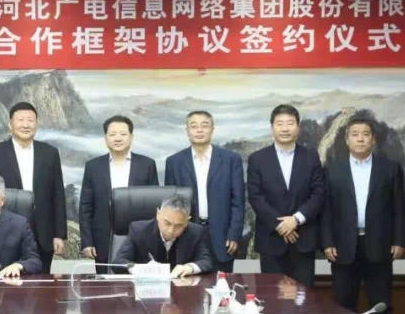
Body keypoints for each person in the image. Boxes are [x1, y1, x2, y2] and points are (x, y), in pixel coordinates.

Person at [320, 114, 405, 314]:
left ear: (373, 139)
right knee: (343, 304)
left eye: (365, 134)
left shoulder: (390, 169)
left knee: (381, 304)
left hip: (379, 244)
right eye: (355, 134)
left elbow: (399, 208)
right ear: (347, 139)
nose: (360, 139)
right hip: (343, 247)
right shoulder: (332, 169)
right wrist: (327, 242)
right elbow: (326, 209)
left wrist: (399, 241)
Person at [0, 102, 66, 271]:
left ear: (36, 124)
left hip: (43, 233)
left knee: (40, 281)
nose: (26, 125)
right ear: (10, 124)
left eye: (30, 120)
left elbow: (58, 194)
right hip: (5, 230)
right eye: (20, 120)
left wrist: (59, 234)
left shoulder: (50, 153)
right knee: (6, 280)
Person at [246, 104, 325, 287]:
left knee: (303, 297)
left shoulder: (311, 157)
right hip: (271, 240)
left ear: (298, 127)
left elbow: (319, 193)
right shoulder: (257, 159)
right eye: (280, 123)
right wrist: (281, 225)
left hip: (303, 239)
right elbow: (255, 196)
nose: (285, 128)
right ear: (272, 127)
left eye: (290, 123)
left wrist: (295, 220)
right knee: (272, 296)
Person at [164, 110, 244, 272]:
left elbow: (238, 201)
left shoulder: (231, 159)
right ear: (187, 131)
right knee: (186, 282)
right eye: (194, 126)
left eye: (204, 125)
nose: (199, 130)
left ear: (212, 129)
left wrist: (234, 234)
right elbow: (171, 204)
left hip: (222, 235)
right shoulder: (174, 162)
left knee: (221, 283)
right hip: (186, 234)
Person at [79, 115, 159, 272]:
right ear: (105, 138)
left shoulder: (147, 165)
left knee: (138, 282)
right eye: (112, 134)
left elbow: (153, 206)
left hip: (140, 237)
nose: (117, 138)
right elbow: (86, 207)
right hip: (103, 239)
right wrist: (87, 242)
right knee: (105, 282)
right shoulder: (93, 166)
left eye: (123, 134)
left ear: (131, 136)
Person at [113, 194, 214, 277]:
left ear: (187, 221)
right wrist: (140, 269)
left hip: (180, 289)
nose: (171, 230)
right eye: (167, 223)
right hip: (147, 289)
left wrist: (190, 267)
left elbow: (207, 261)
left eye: (178, 226)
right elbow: (118, 262)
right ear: (158, 214)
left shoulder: (196, 232)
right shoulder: (138, 230)